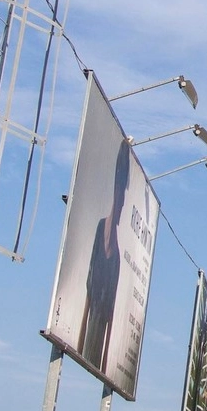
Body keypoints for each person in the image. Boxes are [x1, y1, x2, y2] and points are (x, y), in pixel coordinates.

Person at [78, 139, 131, 370]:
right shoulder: (101, 229)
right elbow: (88, 294)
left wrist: (105, 368)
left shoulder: (118, 256)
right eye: (119, 198)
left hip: (100, 341)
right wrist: (78, 346)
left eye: (123, 201)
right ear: (115, 195)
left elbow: (111, 316)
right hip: (89, 331)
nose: (120, 206)